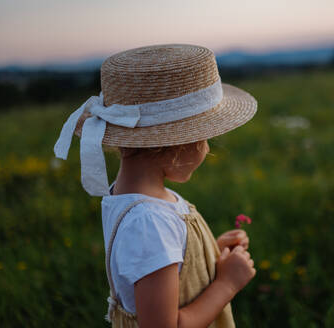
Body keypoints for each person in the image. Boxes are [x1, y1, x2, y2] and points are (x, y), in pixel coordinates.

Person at [53, 44, 258, 328]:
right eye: (205, 138)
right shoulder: (149, 223)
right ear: (178, 146)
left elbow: (165, 262)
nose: (207, 147)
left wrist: (209, 255)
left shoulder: (137, 200)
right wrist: (227, 284)